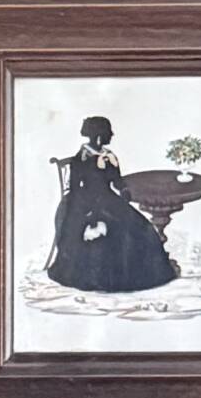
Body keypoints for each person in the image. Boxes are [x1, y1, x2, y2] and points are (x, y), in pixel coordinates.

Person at [46, 114, 180, 296]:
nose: (112, 135)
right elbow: (77, 189)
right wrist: (90, 216)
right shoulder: (82, 158)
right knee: (111, 232)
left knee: (140, 227)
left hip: (108, 199)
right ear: (99, 135)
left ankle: (144, 274)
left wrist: (123, 189)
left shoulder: (108, 156)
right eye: (109, 132)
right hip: (84, 203)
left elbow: (115, 181)